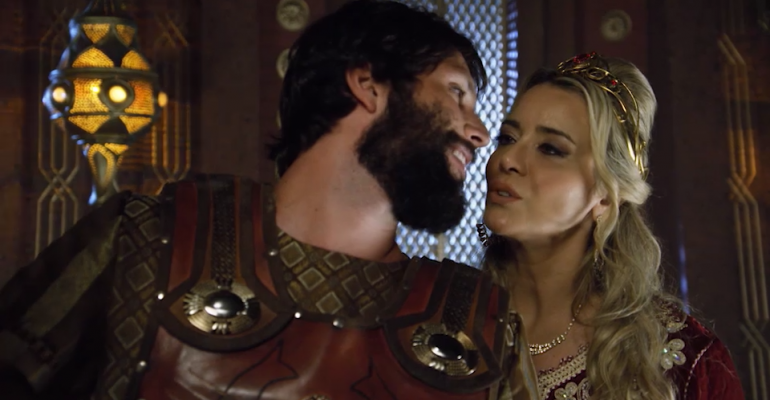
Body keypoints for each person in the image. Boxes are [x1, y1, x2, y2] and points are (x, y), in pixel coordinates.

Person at [0, 1, 539, 399]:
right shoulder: (147, 239)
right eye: (456, 93)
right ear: (368, 86)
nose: (478, 133)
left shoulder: (480, 322)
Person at [478, 52, 744, 399]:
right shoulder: (440, 315)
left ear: (605, 195)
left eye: (550, 149)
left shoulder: (688, 361)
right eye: (507, 138)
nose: (507, 160)